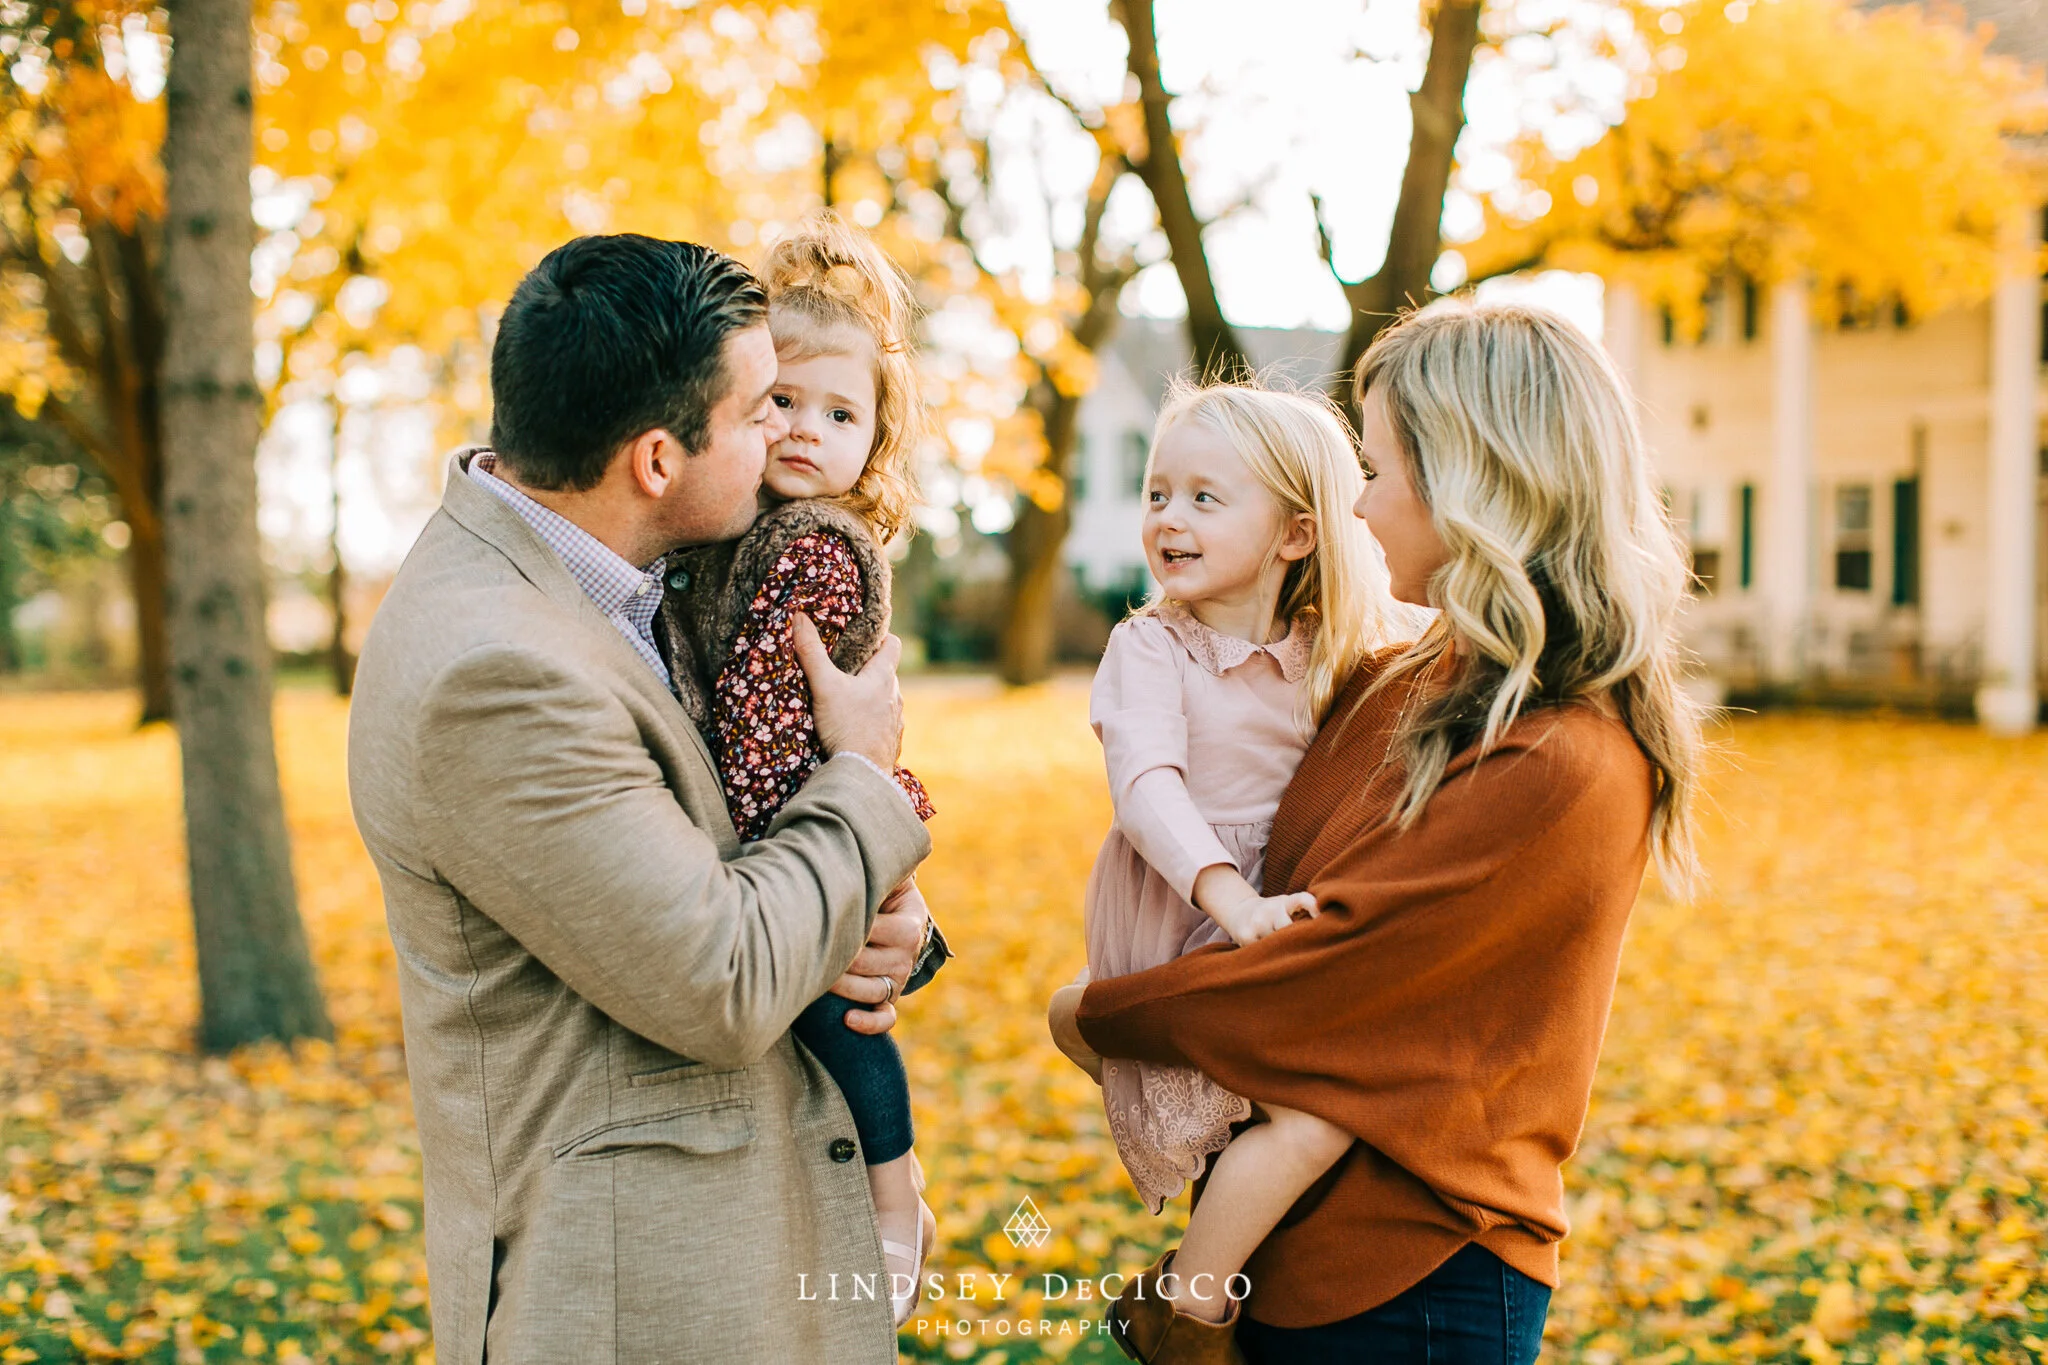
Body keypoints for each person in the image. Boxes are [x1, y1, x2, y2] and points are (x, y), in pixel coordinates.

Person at [1065, 300, 1705, 1365]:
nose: (1355, 505)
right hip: (1292, 1260)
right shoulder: (1396, 675)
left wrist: (1090, 1014)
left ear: (1471, 478)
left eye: (1373, 470)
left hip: (1413, 1282)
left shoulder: (1561, 756)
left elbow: (1321, 986)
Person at [347, 234, 935, 1365]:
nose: (787, 433)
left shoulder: (621, 571)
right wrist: (864, 782)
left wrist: (877, 906)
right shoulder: (494, 670)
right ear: (657, 460)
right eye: (763, 406)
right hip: (640, 1301)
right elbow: (720, 976)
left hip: (746, 1251)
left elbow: (722, 834)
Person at [1043, 380, 1410, 1350]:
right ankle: (1188, 1318)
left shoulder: (1327, 650)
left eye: (1205, 498)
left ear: (1294, 534)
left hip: (1267, 920)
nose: (1167, 516)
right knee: (1312, 1119)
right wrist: (1229, 897)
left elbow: (1434, 644)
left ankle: (1181, 1265)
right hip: (1186, 906)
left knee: (1280, 1118)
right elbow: (1146, 787)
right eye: (1158, 493)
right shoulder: (1150, 648)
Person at [657, 211, 940, 1326]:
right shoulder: (737, 537)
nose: (804, 431)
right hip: (799, 821)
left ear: (875, 437)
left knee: (841, 1015)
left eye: (839, 414)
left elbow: (783, 718)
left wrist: (796, 838)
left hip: (801, 818)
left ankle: (893, 1192)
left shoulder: (813, 546)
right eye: (781, 403)